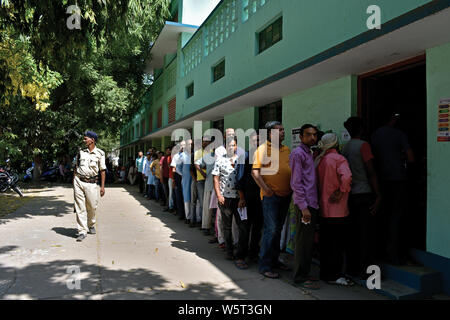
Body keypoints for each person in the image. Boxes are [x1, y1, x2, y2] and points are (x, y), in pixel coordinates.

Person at [371, 111, 414, 265]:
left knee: (383, 215)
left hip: (381, 180)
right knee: (397, 216)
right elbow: (411, 157)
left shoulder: (375, 135)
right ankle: (395, 254)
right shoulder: (399, 134)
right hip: (398, 179)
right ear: (393, 118)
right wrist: (399, 157)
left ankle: (381, 252)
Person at [343, 117, 382, 278]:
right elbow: (371, 172)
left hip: (350, 195)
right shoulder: (363, 146)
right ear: (361, 129)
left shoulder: (345, 148)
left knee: (353, 232)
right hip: (364, 192)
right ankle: (366, 270)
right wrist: (379, 195)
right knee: (366, 234)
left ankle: (352, 267)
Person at [252, 121, 292, 279]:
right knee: (271, 230)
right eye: (280, 130)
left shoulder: (286, 149)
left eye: (283, 129)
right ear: (270, 134)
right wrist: (266, 189)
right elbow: (255, 173)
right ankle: (265, 265)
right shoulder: (262, 149)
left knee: (278, 230)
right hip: (271, 197)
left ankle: (274, 261)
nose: (283, 132)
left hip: (286, 195)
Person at [315, 133, 353, 286]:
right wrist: (342, 191)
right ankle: (335, 275)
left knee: (326, 244)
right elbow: (347, 176)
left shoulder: (320, 160)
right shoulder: (339, 159)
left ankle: (325, 273)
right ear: (336, 144)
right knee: (336, 245)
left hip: (323, 209)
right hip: (338, 210)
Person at [290, 124, 320, 289]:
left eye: (314, 135)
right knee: (302, 242)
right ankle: (299, 278)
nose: (312, 138)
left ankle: (305, 274)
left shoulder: (308, 153)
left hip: (311, 203)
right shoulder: (298, 154)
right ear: (301, 137)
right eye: (308, 135)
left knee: (307, 242)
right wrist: (303, 207)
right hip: (305, 205)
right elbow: (296, 183)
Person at [213, 137, 249, 267]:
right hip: (225, 199)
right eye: (228, 145)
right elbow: (216, 179)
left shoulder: (241, 159)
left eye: (233, 145)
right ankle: (229, 251)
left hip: (240, 200)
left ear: (236, 146)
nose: (231, 147)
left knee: (243, 227)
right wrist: (219, 195)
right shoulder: (220, 160)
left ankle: (241, 253)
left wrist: (243, 198)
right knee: (227, 227)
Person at [73, 131, 106, 242]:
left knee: (92, 206)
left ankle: (91, 224)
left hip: (92, 183)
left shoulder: (100, 153)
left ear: (92, 140)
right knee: (79, 207)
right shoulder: (81, 152)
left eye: (85, 138)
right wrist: (74, 182)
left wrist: (102, 187)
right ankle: (82, 231)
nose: (84, 140)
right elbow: (75, 167)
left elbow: (102, 170)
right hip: (79, 181)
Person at [236, 131, 263, 263]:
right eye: (254, 140)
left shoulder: (265, 156)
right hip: (247, 198)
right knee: (245, 228)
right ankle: (241, 255)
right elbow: (239, 179)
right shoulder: (245, 156)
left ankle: (253, 254)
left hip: (262, 199)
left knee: (257, 228)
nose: (256, 142)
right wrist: (241, 198)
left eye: (259, 140)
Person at [171, 141, 187, 220]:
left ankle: (187, 214)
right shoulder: (176, 156)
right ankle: (181, 213)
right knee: (179, 195)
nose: (183, 147)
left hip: (187, 177)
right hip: (178, 177)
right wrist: (174, 180)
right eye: (181, 145)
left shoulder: (188, 155)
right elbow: (173, 169)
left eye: (184, 145)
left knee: (186, 196)